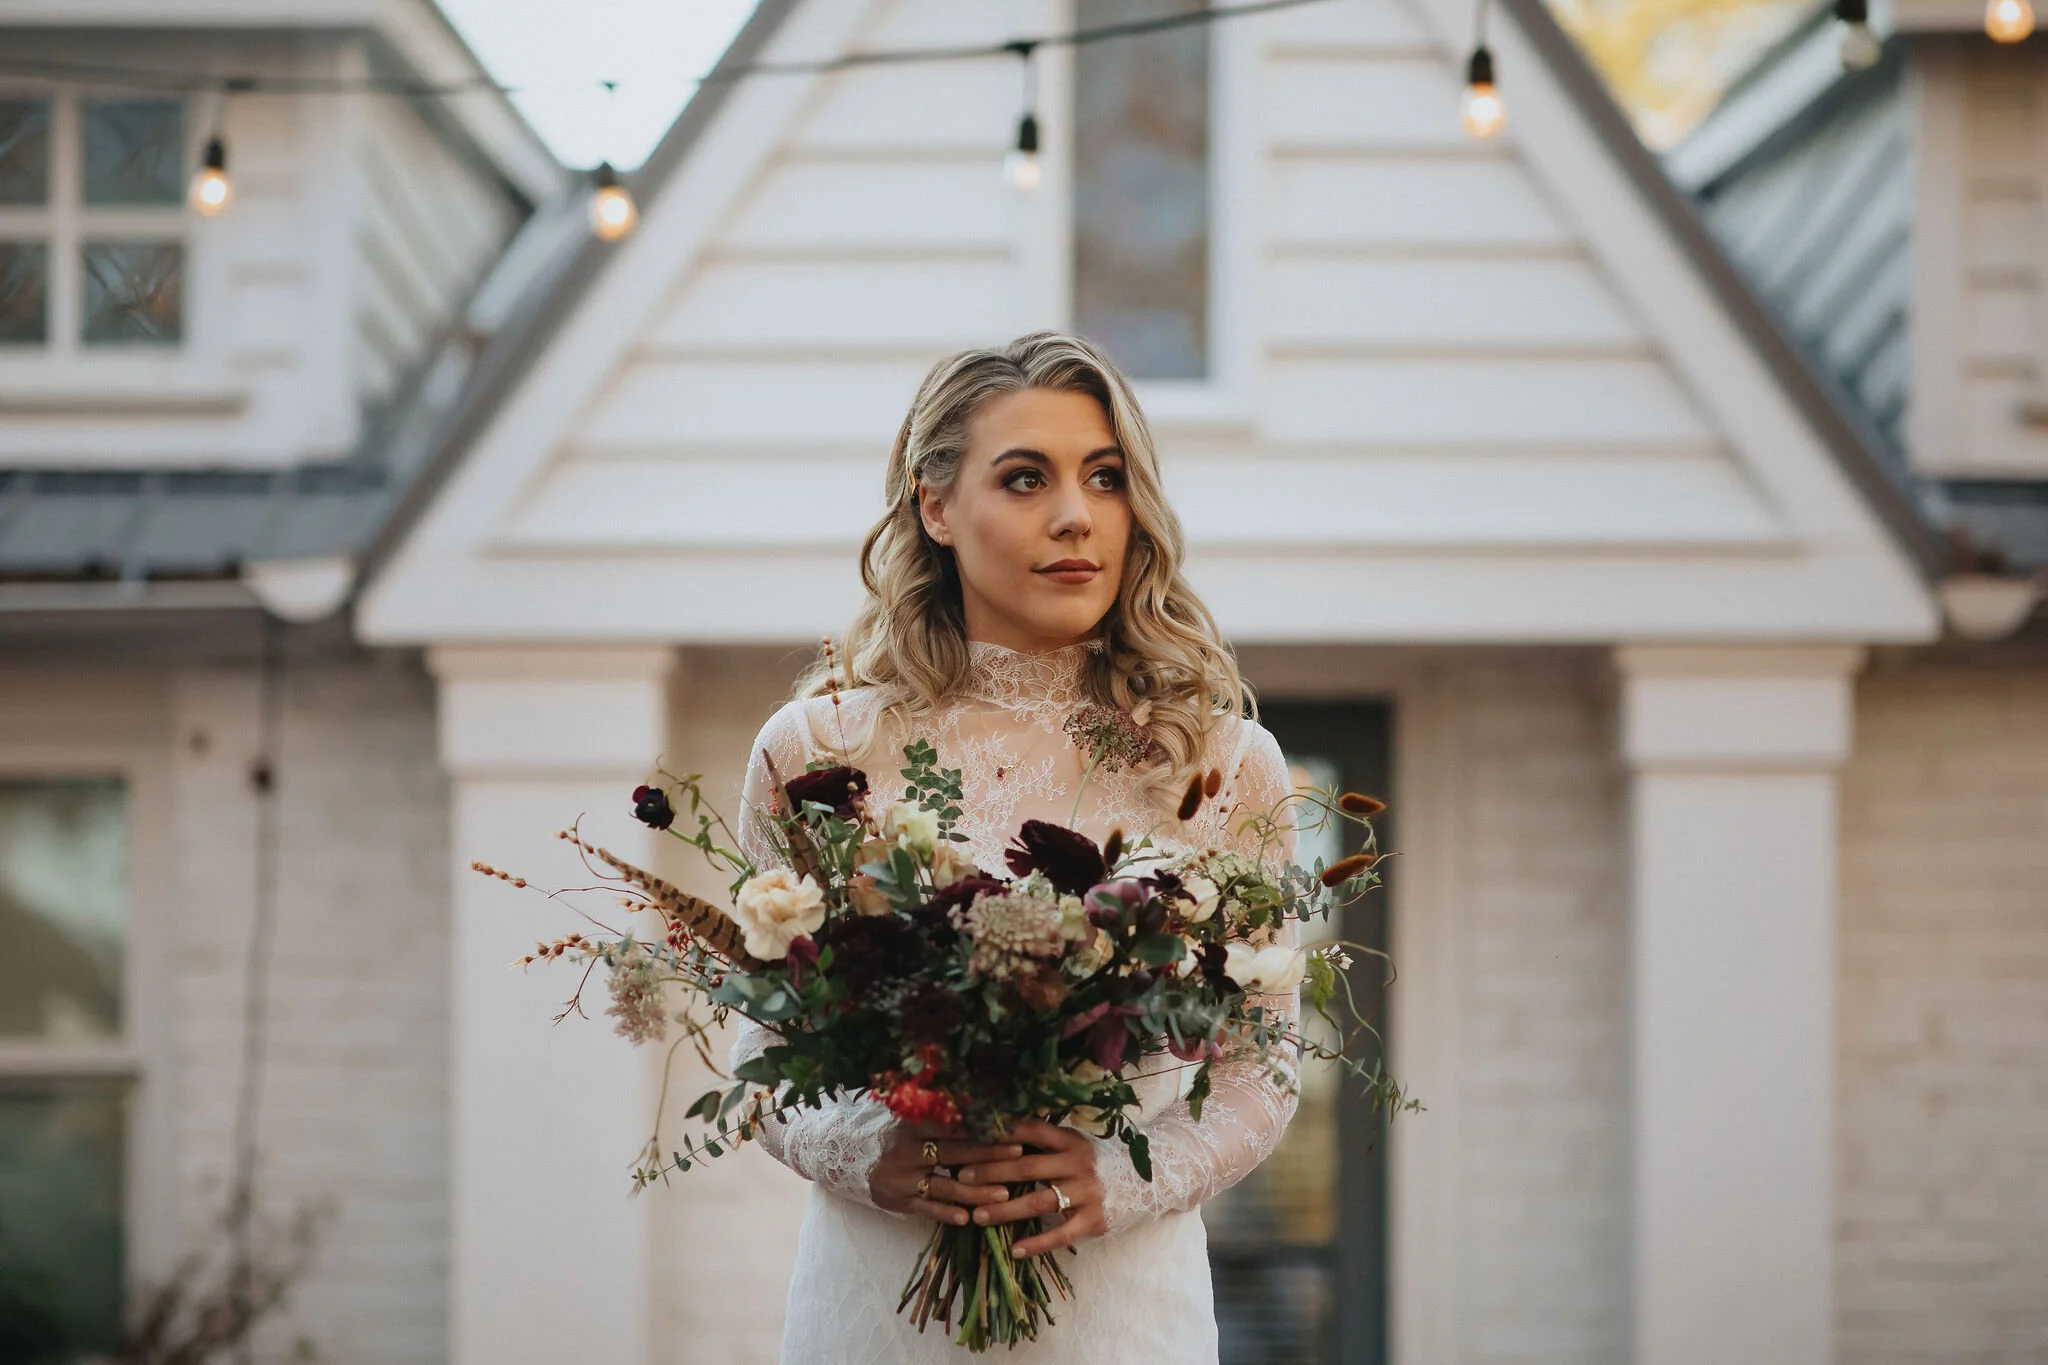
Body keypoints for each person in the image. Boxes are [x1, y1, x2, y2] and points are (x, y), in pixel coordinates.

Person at [731, 331, 1299, 1363]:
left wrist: (1120, 1177)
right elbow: (761, 1063)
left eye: (1106, 477)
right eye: (1025, 478)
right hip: (879, 1308)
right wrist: (872, 1153)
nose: (1076, 515)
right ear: (934, 504)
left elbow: (1265, 1069)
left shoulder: (1219, 761)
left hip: (1123, 1316)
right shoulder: (816, 755)